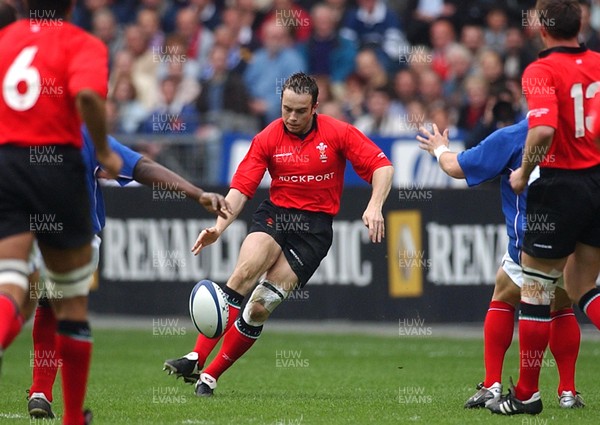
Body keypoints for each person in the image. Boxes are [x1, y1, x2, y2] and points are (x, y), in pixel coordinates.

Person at [163, 72, 394, 397]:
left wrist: (374, 205)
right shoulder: (268, 137)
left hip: (314, 231)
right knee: (244, 273)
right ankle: (195, 357)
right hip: (276, 216)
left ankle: (210, 377)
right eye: (286, 108)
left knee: (259, 307)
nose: (292, 117)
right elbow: (241, 189)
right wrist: (218, 228)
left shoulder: (338, 132)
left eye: (300, 110)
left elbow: (383, 166)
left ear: (315, 107)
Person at [18, 125, 231, 419]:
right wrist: (196, 194)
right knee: (63, 310)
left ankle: (42, 390)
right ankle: (54, 401)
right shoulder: (85, 133)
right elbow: (141, 167)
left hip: (22, 236)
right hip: (77, 241)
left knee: (25, 302)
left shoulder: (16, 127)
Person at [0, 1, 122, 424]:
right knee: (69, 300)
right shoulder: (81, 42)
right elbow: (88, 95)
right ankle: (72, 417)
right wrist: (104, 149)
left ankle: (42, 391)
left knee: (13, 284)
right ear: (71, 6)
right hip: (58, 167)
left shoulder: (5, 41)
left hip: (7, 164)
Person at [417, 120, 584, 409]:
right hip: (576, 238)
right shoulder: (581, 133)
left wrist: (439, 147)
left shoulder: (515, 136)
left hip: (533, 241)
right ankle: (567, 391)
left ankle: (495, 385)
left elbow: (456, 167)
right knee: (561, 303)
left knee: (505, 293)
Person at [486, 0, 600, 415]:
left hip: (560, 184)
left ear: (542, 28)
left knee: (536, 289)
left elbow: (544, 130)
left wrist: (523, 172)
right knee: (583, 286)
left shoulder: (541, 70)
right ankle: (555, 390)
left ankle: (526, 395)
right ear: (580, 25)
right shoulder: (598, 63)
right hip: (596, 179)